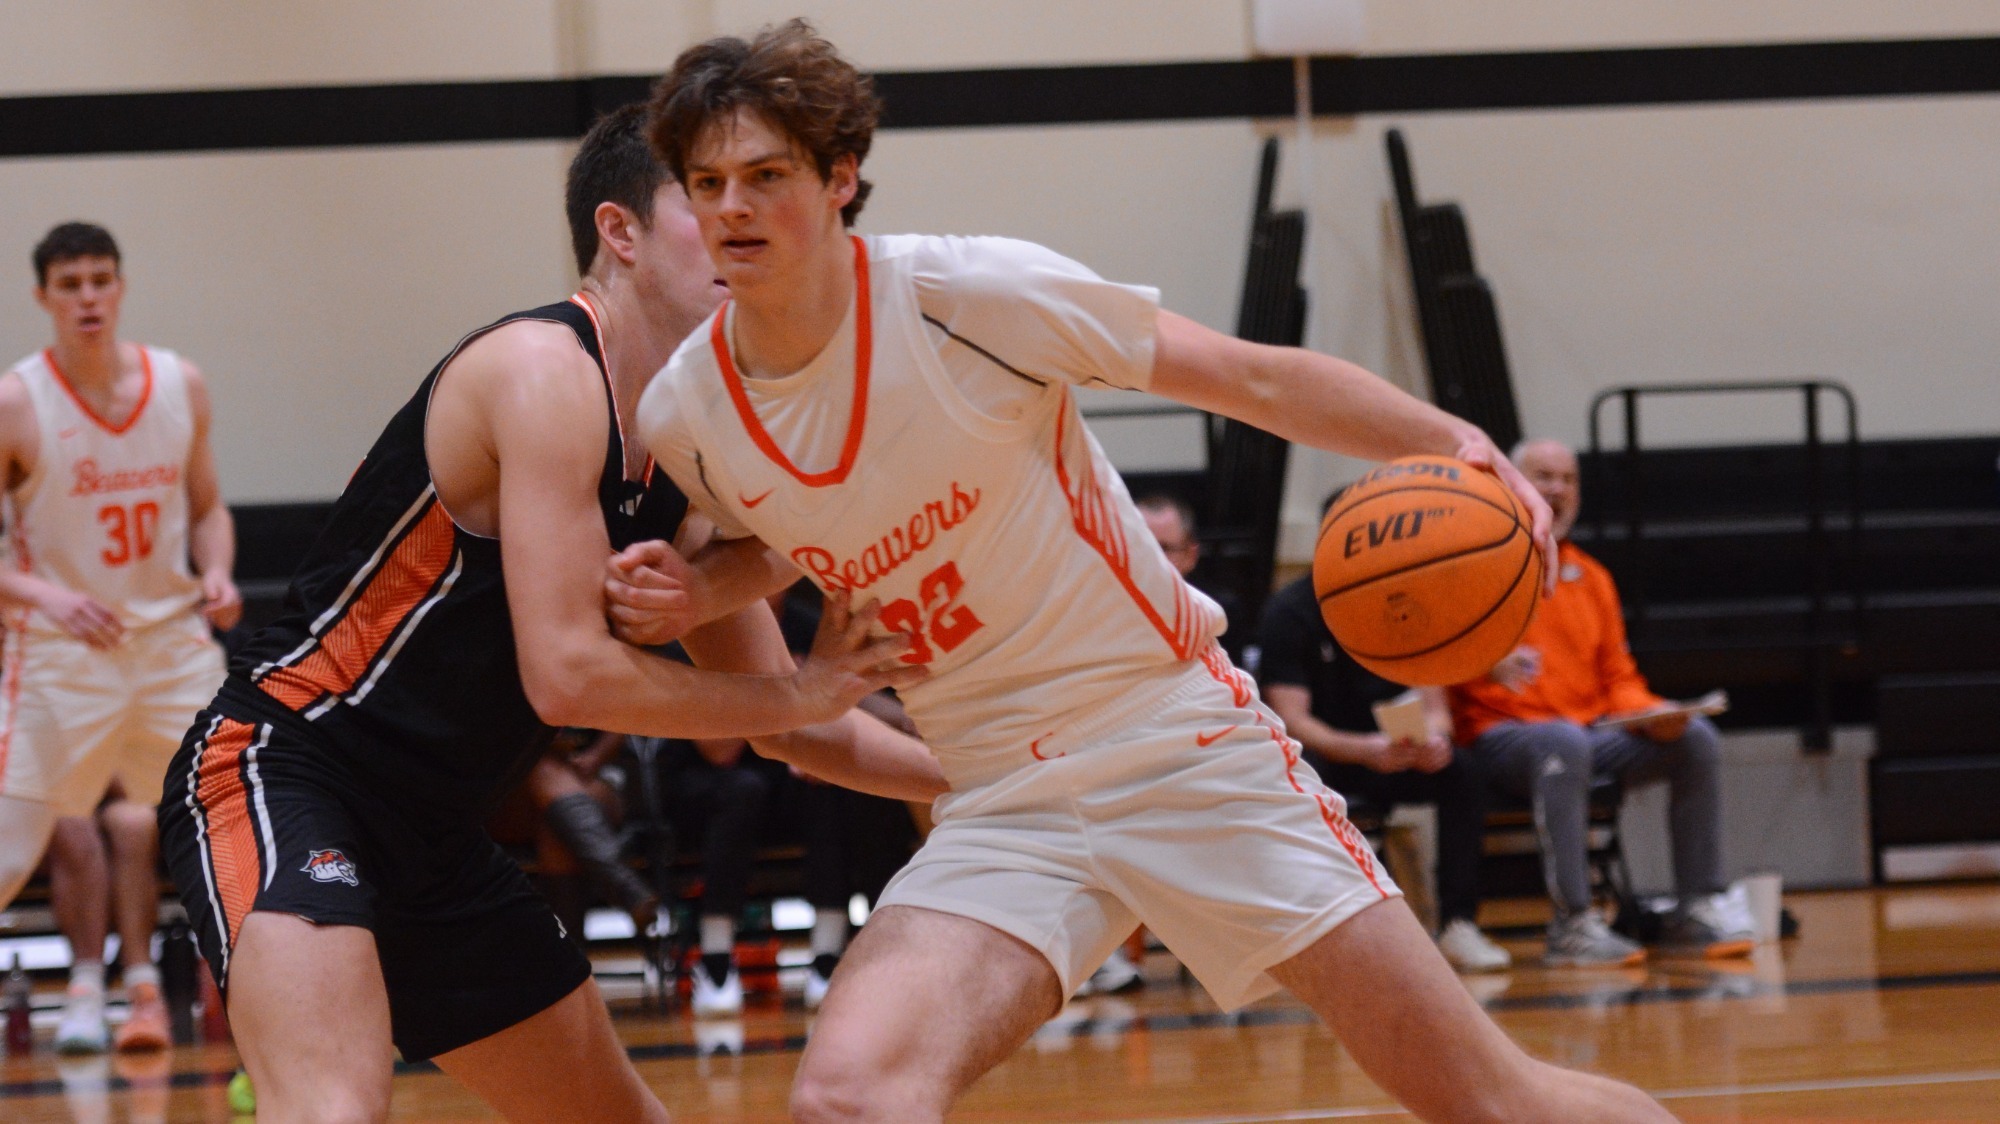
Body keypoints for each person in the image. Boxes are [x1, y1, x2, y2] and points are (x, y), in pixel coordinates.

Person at [625, 21, 1674, 1122]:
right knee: (847, 1097)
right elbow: (790, 532)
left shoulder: (968, 295)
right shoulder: (687, 417)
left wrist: (1458, 443)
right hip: (997, 791)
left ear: (841, 178)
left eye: (765, 175)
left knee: (1490, 1101)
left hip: (1172, 737)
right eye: (707, 183)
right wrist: (696, 592)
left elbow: (1254, 380)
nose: (731, 208)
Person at [153, 104, 945, 1123]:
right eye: (701, 197)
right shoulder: (542, 372)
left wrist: (975, 778)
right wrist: (804, 681)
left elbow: (780, 723)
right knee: (334, 1107)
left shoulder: (689, 447)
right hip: (287, 768)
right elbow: (568, 676)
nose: (735, 224)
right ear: (618, 233)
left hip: (435, 833)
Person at [0, 222, 242, 1054]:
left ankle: (255, 1021)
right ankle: (88, 986)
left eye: (101, 279)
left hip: (172, 646)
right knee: (8, 851)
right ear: (43, 298)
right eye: (70, 285)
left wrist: (216, 572)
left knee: (245, 824)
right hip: (64, 655)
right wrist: (42, 595)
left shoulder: (181, 383)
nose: (89, 297)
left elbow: (208, 507)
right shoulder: (16, 401)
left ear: (122, 285)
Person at [1448, 439, 1752, 968]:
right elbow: (1440, 662)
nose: (1558, 490)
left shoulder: (1592, 577)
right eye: (1544, 477)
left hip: (1586, 734)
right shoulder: (1471, 564)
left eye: (1569, 480)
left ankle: (1696, 905)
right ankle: (1572, 924)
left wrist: (1655, 713)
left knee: (1695, 739)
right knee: (1564, 742)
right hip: (1499, 736)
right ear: (1510, 484)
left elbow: (1618, 679)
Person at [1256, 492, 1508, 974]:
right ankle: (1326, 934)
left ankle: (1458, 924)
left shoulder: (1408, 602)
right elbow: (1293, 723)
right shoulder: (1290, 612)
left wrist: (1433, 741)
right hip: (1329, 758)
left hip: (1394, 754)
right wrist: (1364, 750)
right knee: (1305, 771)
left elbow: (1435, 707)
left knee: (1463, 772)